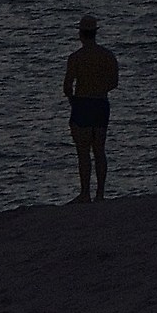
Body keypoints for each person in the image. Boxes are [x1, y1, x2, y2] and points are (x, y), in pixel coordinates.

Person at [62, 14, 120, 202]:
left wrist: (73, 100)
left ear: (81, 34)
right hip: (101, 104)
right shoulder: (108, 56)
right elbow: (114, 83)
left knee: (83, 152)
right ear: (95, 33)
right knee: (100, 150)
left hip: (82, 104)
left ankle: (85, 192)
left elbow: (67, 86)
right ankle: (100, 193)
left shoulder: (75, 58)